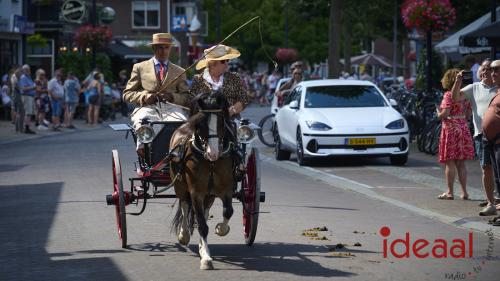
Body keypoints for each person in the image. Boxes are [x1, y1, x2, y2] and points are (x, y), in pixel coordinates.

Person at [123, 33, 191, 154]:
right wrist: (144, 97)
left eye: (166, 47)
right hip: (148, 107)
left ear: (170, 48)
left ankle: (179, 152)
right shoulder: (139, 67)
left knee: (181, 122)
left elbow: (187, 97)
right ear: (154, 48)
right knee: (142, 119)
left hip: (172, 108)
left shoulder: (179, 71)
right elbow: (127, 93)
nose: (163, 51)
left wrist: (172, 97)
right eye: (160, 47)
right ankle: (143, 148)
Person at [190, 44, 249, 179]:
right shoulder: (198, 80)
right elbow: (191, 101)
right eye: (224, 61)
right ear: (213, 63)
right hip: (204, 119)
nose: (227, 63)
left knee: (234, 129)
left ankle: (238, 158)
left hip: (229, 118)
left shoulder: (234, 77)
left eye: (228, 60)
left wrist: (232, 110)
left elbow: (243, 99)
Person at [452, 58, 498, 216]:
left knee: (497, 169)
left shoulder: (499, 88)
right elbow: (455, 98)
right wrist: (458, 81)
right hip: (482, 135)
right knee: (486, 168)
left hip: (499, 137)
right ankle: (491, 202)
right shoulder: (474, 87)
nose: (486, 72)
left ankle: (495, 199)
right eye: (484, 69)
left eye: (490, 69)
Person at [437, 68, 474, 200]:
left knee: (450, 162)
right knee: (461, 163)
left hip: (451, 128)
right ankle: (464, 192)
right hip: (463, 127)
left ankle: (450, 192)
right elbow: (469, 114)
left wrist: (438, 113)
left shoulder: (448, 95)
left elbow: (446, 113)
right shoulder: (466, 95)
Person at [483, 60, 500, 225]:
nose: (493, 73)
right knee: (498, 180)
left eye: (497, 70)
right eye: (492, 70)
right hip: (493, 143)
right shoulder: (497, 92)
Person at [18, 64, 36, 134]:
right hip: (26, 96)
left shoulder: (28, 77)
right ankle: (26, 128)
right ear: (23, 70)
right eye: (27, 70)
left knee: (29, 113)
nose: (29, 71)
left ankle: (27, 127)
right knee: (28, 113)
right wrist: (33, 87)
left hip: (30, 96)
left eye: (29, 69)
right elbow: (24, 88)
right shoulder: (23, 78)